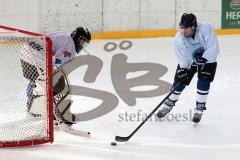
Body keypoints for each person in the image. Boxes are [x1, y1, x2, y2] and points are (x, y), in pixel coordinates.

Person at [21, 26, 91, 125]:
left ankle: (31, 106)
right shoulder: (70, 48)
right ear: (77, 37)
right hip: (36, 60)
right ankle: (60, 115)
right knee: (61, 86)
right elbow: (56, 62)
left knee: (34, 81)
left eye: (84, 43)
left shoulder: (65, 34)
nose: (82, 44)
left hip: (25, 56)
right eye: (82, 41)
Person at [156, 13, 219, 123]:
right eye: (182, 28)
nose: (183, 31)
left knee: (203, 81)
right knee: (179, 82)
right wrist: (183, 69)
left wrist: (204, 58)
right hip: (190, 59)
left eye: (186, 28)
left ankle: (199, 110)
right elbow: (183, 57)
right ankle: (168, 105)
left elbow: (214, 47)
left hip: (208, 59)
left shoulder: (206, 28)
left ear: (193, 27)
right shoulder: (179, 38)